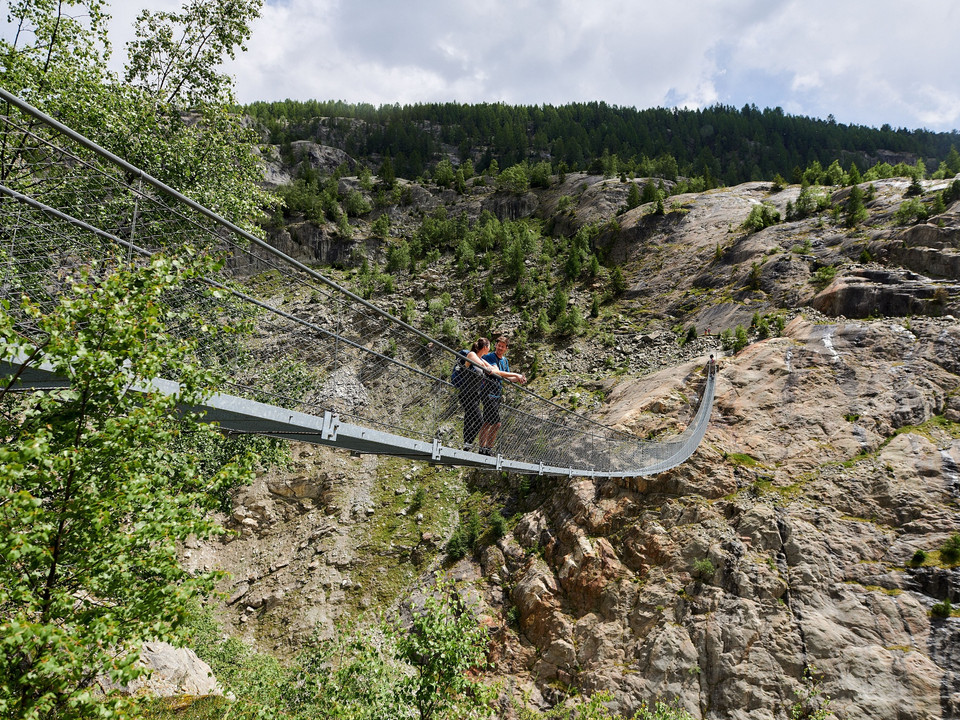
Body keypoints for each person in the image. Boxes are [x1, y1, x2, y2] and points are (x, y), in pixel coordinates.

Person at [478, 335, 526, 456]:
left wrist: (518, 379)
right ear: (495, 345)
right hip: (488, 392)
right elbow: (496, 372)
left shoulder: (504, 361)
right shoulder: (490, 357)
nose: (500, 348)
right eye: (498, 345)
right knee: (496, 423)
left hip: (497, 394)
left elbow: (507, 377)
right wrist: (516, 374)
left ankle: (483, 449)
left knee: (488, 422)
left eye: (502, 346)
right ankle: (487, 448)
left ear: (506, 348)